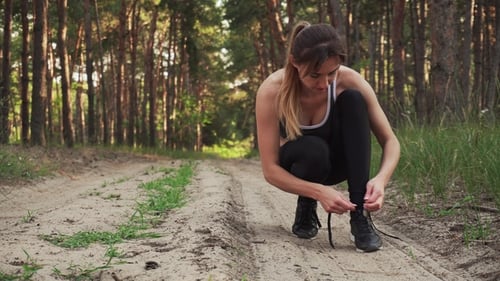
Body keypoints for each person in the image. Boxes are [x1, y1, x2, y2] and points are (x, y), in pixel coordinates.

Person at [255, 21, 400, 252]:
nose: (324, 84)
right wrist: (317, 191)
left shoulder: (349, 80)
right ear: (294, 62)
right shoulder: (272, 90)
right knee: (313, 149)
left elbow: (391, 141)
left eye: (331, 73)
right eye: (314, 75)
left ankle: (360, 216)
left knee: (353, 99)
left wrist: (381, 180)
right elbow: (270, 171)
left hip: (341, 162)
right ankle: (306, 205)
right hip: (303, 164)